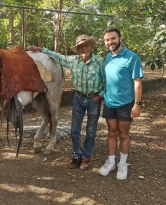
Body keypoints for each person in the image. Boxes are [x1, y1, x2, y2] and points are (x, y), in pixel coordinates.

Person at [28, 35, 105, 170]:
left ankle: (86, 157)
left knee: (91, 130)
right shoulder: (73, 60)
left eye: (86, 45)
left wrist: (100, 96)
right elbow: (56, 56)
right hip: (79, 98)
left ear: (91, 46)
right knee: (74, 130)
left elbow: (107, 80)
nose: (84, 48)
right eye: (81, 46)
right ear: (78, 49)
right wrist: (40, 49)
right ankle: (76, 155)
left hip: (94, 99)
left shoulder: (99, 62)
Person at [99, 28, 144, 180]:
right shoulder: (108, 57)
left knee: (123, 133)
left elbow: (137, 81)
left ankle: (122, 164)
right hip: (110, 102)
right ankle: (111, 161)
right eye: (107, 40)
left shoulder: (132, 57)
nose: (110, 42)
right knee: (112, 132)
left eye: (113, 38)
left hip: (126, 103)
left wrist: (137, 104)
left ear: (120, 38)